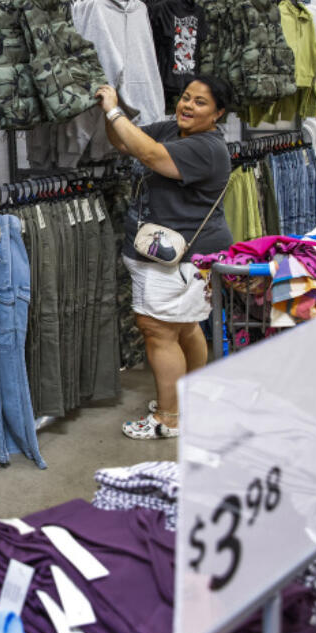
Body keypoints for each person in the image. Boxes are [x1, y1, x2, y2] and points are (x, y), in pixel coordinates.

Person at [97, 77, 233, 440]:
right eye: (186, 97)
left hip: (181, 257)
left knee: (158, 330)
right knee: (184, 326)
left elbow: (150, 155)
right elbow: (126, 141)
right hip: (168, 254)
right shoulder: (174, 129)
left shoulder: (207, 147)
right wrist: (112, 115)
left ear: (219, 113)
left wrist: (114, 111)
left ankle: (169, 418)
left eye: (200, 103)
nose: (187, 106)